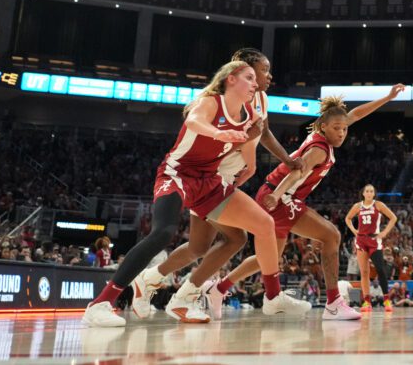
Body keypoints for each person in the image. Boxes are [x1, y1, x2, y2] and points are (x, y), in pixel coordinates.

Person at [82, 61, 310, 327]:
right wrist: (222, 133)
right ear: (231, 78)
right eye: (249, 77)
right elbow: (194, 120)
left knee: (263, 224)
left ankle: (273, 296)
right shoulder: (211, 102)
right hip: (177, 174)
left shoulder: (251, 115)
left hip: (209, 180)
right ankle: (101, 303)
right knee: (164, 233)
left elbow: (252, 148)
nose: (256, 83)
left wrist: (250, 163)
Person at [209, 86, 404, 321]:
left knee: (267, 260)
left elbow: (356, 114)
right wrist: (278, 194)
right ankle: (333, 303)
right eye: (337, 128)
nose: (342, 132)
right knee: (331, 236)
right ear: (324, 127)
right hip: (281, 198)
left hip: (275, 195)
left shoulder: (327, 133)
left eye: (344, 129)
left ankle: (218, 289)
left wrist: (387, 98)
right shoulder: (319, 149)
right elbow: (297, 172)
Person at [345, 184, 399, 313]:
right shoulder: (357, 206)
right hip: (361, 240)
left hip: (374, 240)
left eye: (371, 191)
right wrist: (354, 230)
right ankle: (367, 302)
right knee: (364, 272)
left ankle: (387, 299)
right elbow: (348, 218)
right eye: (367, 191)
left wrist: (384, 233)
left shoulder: (378, 205)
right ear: (363, 193)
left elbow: (393, 218)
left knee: (380, 269)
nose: (369, 193)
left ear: (374, 194)